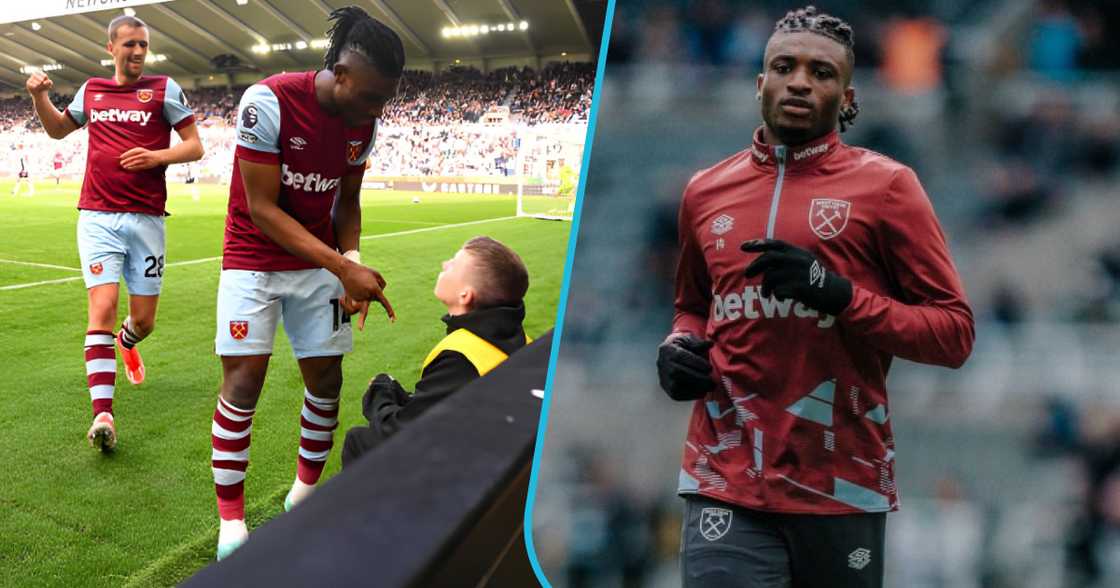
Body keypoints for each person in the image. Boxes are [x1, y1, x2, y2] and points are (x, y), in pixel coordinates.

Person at [656, 7, 975, 587]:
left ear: (847, 96)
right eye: (785, 66)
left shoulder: (889, 188)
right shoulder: (704, 192)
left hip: (842, 480)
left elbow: (953, 334)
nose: (800, 81)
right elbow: (693, 305)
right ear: (761, 84)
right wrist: (679, 346)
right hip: (725, 473)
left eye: (821, 72)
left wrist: (841, 297)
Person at [210, 6, 401, 560]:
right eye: (370, 96)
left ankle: (305, 497)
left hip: (319, 265)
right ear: (339, 73)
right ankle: (232, 526)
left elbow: (348, 200)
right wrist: (342, 266)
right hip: (252, 259)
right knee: (244, 382)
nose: (376, 110)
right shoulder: (267, 101)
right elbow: (264, 209)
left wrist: (352, 259)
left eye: (384, 99)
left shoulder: (363, 122)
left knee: (327, 380)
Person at [26, 15, 204, 452]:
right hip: (98, 216)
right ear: (111, 48)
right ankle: (103, 414)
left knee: (143, 321)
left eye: (144, 44)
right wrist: (39, 98)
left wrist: (157, 157)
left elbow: (195, 145)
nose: (139, 52)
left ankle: (127, 342)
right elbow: (56, 129)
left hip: (146, 220)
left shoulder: (164, 89)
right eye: (130, 45)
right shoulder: (92, 90)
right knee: (101, 307)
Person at [340, 236, 530, 466]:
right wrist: (396, 393)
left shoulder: (462, 357)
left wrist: (379, 394)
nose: (444, 264)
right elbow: (452, 403)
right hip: (498, 447)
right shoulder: (516, 338)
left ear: (465, 295)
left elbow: (403, 433)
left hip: (471, 471)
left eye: (453, 264)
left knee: (359, 440)